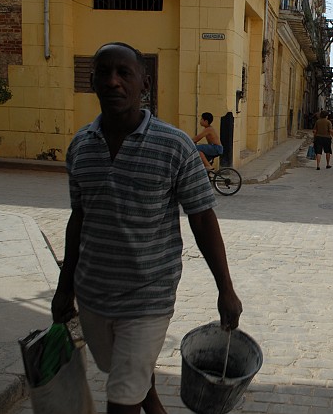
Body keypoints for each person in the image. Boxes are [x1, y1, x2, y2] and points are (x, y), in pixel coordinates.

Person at [51, 42, 242, 414]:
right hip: (93, 296)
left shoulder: (174, 146)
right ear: (92, 83)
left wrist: (226, 290)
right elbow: (79, 219)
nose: (113, 82)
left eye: (124, 73)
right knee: (136, 382)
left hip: (148, 298)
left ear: (146, 83)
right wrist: (64, 289)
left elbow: (202, 217)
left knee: (122, 397)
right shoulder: (80, 147)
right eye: (104, 73)